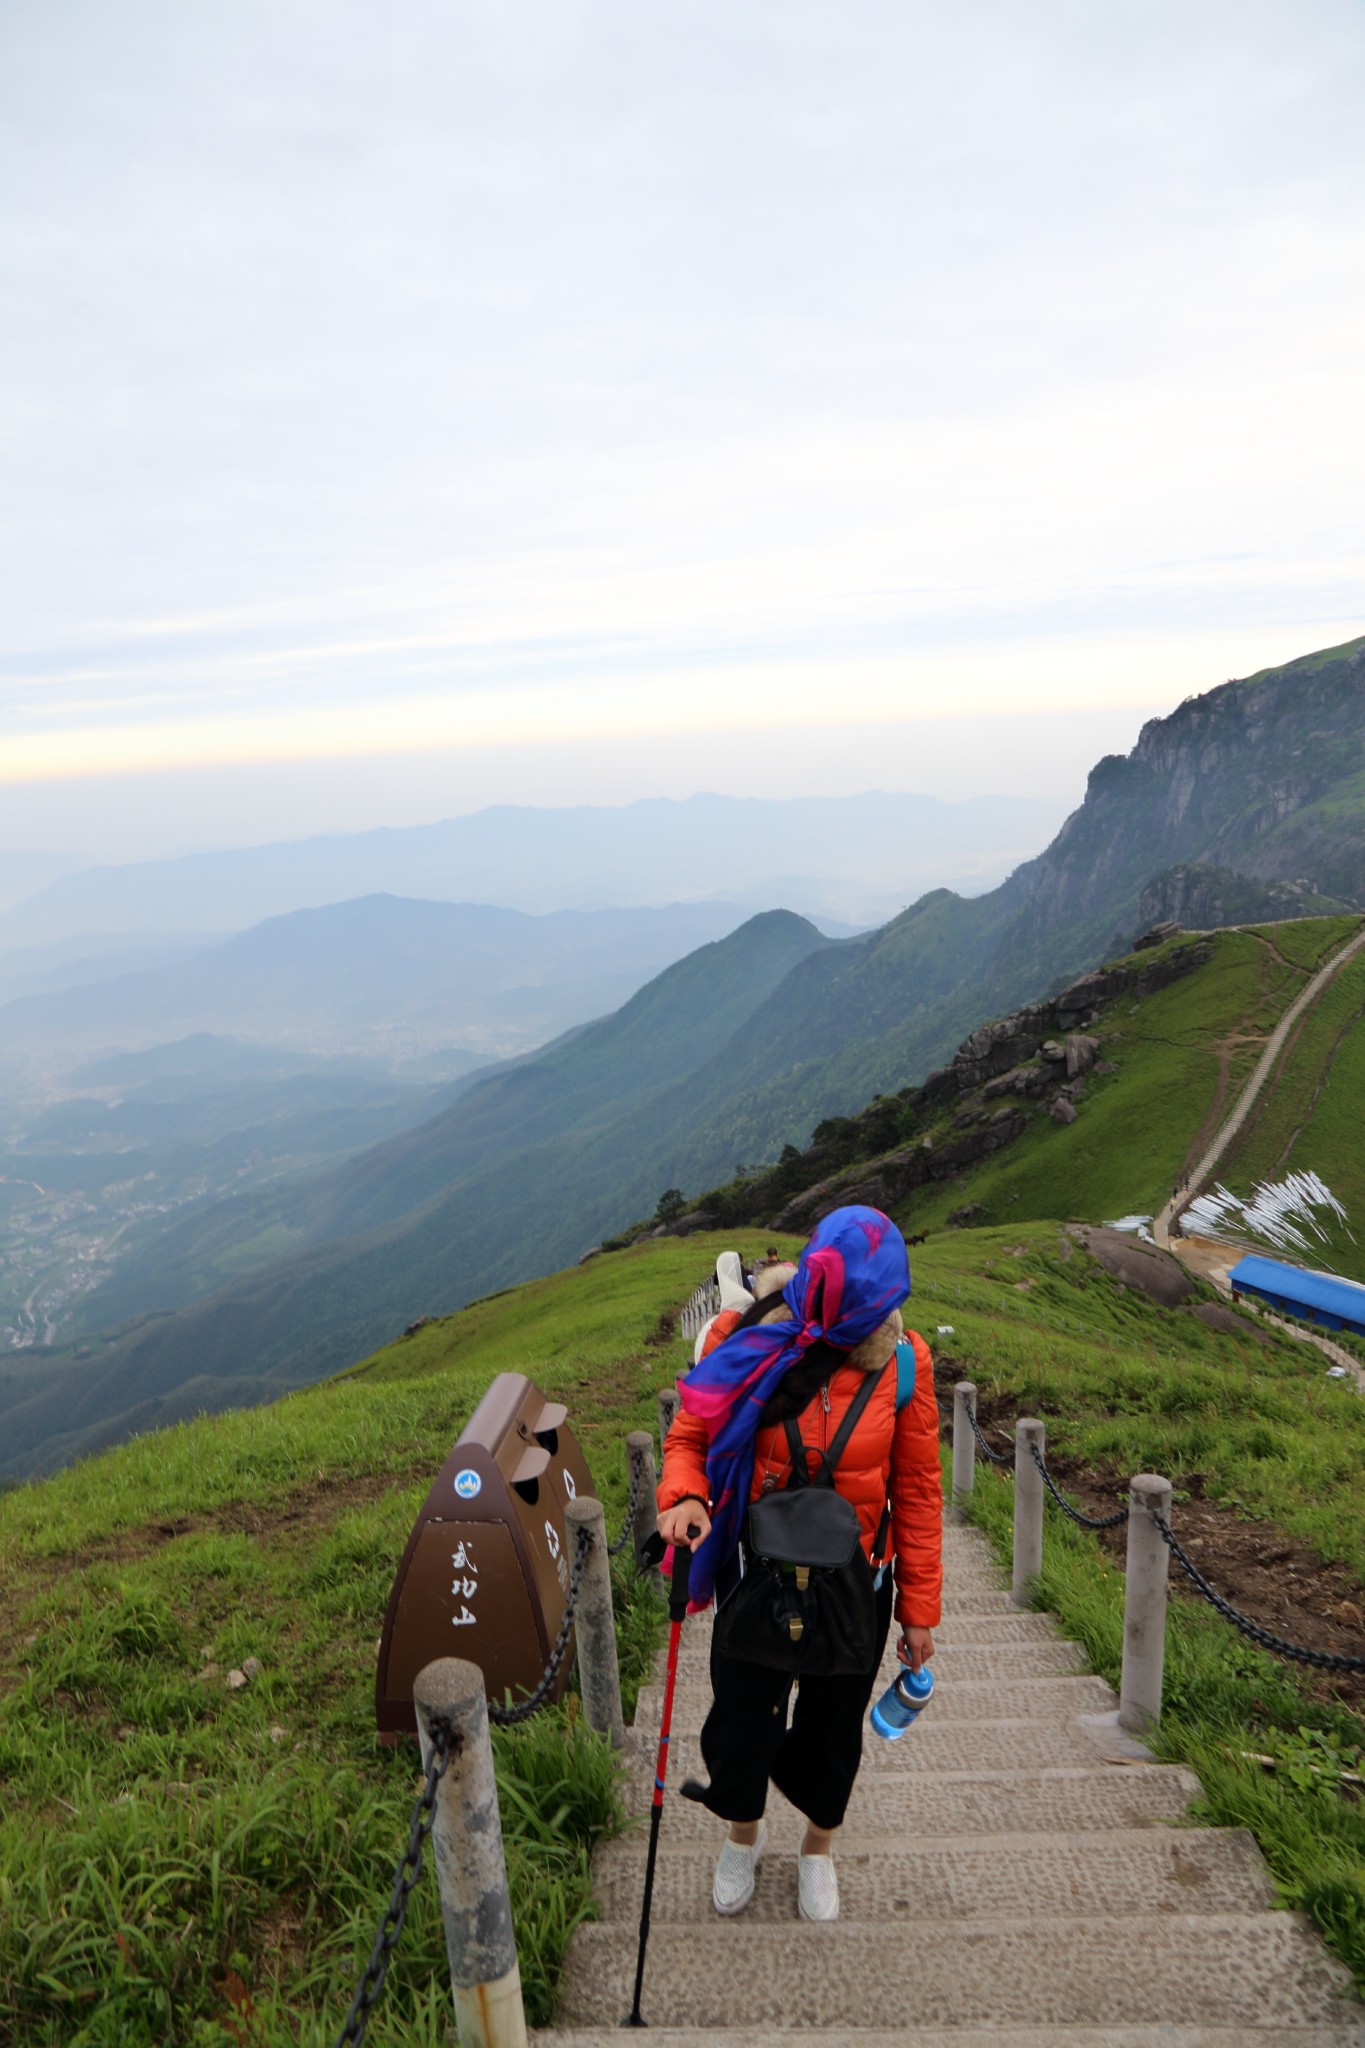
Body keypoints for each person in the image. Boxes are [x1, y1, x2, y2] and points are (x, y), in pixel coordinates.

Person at [656, 1205, 942, 1922]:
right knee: (743, 1718)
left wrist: (917, 1611)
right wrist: (684, 1495)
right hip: (757, 1575)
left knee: (830, 1730)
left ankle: (817, 1849)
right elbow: (689, 1435)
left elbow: (915, 1489)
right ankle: (742, 1836)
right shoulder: (745, 1333)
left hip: (855, 1585)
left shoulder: (904, 1362)